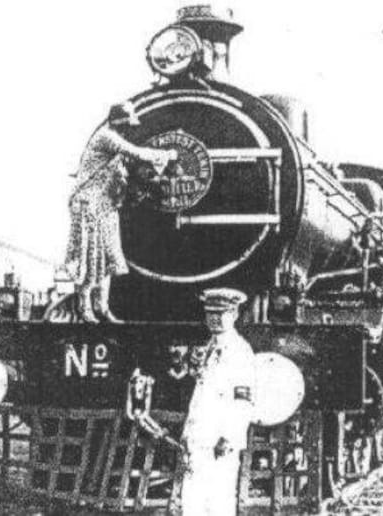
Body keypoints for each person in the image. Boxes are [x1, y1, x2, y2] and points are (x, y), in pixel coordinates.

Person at [64, 100, 176, 323]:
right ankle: (84, 307)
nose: (128, 130)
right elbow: (136, 153)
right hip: (89, 204)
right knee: (90, 256)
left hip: (105, 205)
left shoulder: (113, 143)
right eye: (126, 125)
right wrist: (167, 155)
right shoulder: (106, 137)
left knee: (108, 257)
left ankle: (102, 307)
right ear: (119, 123)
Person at [180, 288, 255, 516]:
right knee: (192, 503)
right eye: (211, 313)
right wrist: (187, 434)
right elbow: (201, 396)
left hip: (220, 442)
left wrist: (229, 437)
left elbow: (243, 400)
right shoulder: (209, 348)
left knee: (219, 503)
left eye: (222, 313)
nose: (215, 318)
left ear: (235, 314)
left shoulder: (240, 351)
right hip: (198, 438)